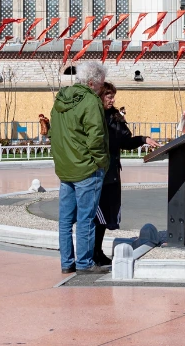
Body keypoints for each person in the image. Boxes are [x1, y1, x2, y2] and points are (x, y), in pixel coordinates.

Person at [49, 60, 109, 275]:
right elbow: (96, 138)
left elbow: (52, 133)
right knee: (86, 219)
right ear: (93, 83)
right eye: (101, 85)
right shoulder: (91, 101)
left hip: (65, 168)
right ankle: (84, 263)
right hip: (86, 169)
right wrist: (102, 162)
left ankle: (67, 263)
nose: (102, 89)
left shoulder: (60, 100)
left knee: (65, 220)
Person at [92, 83, 154, 266]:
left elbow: (124, 142)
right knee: (96, 215)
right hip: (97, 171)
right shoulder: (94, 115)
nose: (112, 100)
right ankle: (91, 252)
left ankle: (97, 251)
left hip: (111, 172)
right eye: (109, 96)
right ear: (100, 96)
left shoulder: (114, 116)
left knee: (105, 215)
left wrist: (143, 139)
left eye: (113, 96)